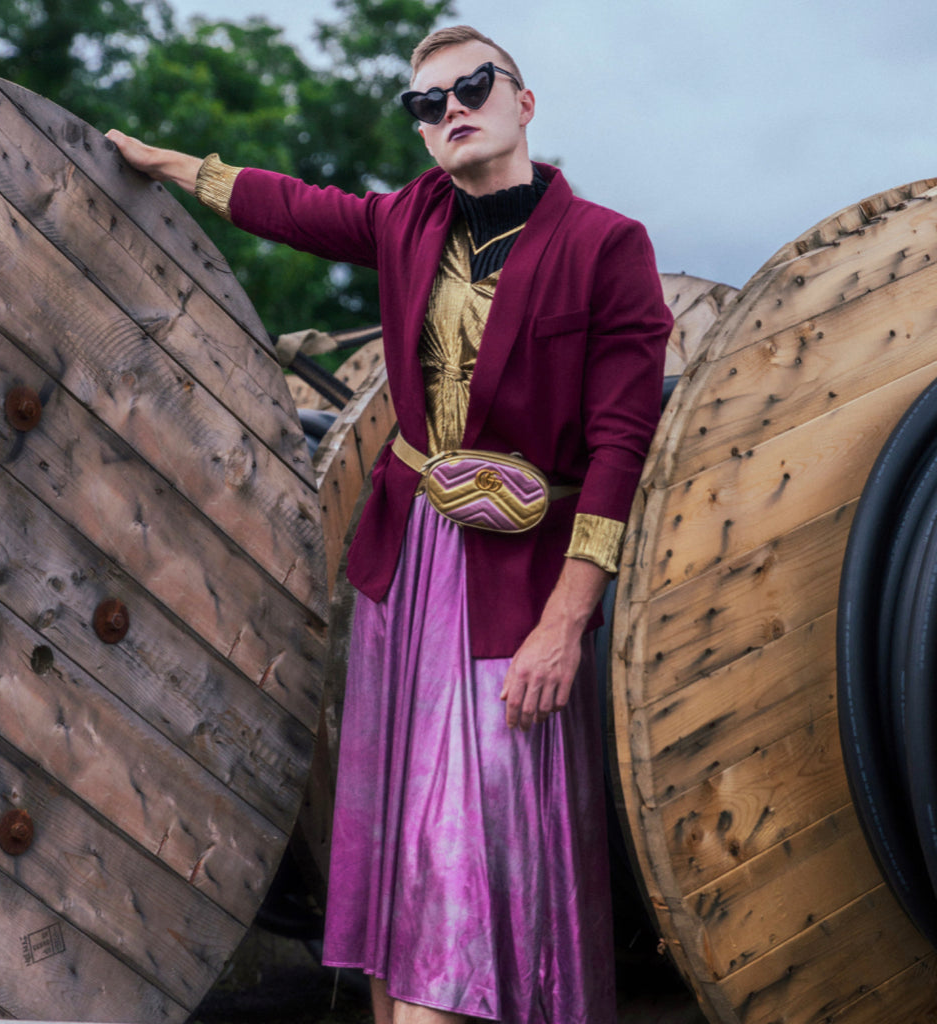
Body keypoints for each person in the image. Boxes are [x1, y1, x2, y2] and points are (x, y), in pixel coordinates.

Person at [108, 24, 672, 1024]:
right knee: (402, 837)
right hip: (407, 570)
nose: (452, 109)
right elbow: (291, 205)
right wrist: (164, 165)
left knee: (490, 829)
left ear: (523, 102)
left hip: (520, 582)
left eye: (473, 87)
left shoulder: (607, 246)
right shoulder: (408, 220)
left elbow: (621, 450)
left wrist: (565, 621)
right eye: (428, 103)